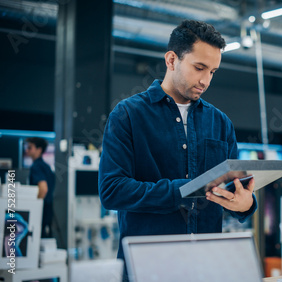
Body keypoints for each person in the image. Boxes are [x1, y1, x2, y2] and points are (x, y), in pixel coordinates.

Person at [98, 19, 257, 278]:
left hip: (205, 268)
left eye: (213, 72)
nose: (205, 80)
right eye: (199, 67)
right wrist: (184, 190)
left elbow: (228, 190)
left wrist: (244, 203)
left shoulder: (221, 123)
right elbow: (112, 191)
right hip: (147, 268)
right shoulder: (127, 115)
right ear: (171, 60)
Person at [25, 137, 55, 238]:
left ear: (39, 149)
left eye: (30, 148)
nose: (27, 150)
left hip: (41, 209)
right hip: (48, 208)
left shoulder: (36, 166)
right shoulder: (46, 166)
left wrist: (35, 207)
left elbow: (43, 188)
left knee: (37, 238)